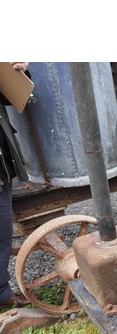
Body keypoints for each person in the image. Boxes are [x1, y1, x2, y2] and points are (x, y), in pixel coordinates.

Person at [0, 62, 30, 308]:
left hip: (2, 171)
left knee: (3, 233)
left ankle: (1, 293)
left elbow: (12, 96)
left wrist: (19, 72)